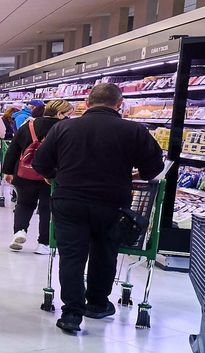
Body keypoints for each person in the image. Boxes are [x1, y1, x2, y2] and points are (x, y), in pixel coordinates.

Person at [32, 82, 164, 334]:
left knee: (72, 256)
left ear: (87, 103)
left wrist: (55, 174)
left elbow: (41, 162)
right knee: (105, 252)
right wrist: (135, 172)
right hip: (112, 202)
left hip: (69, 200)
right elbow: (153, 168)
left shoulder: (63, 127)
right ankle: (97, 303)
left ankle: (71, 313)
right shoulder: (134, 130)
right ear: (119, 103)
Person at [1, 99, 69, 255]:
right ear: (59, 114)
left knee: (24, 204)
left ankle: (19, 231)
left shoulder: (28, 126)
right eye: (66, 114)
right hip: (50, 175)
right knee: (47, 209)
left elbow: (13, 150)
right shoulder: (64, 128)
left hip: (24, 172)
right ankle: (43, 243)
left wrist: (8, 171)